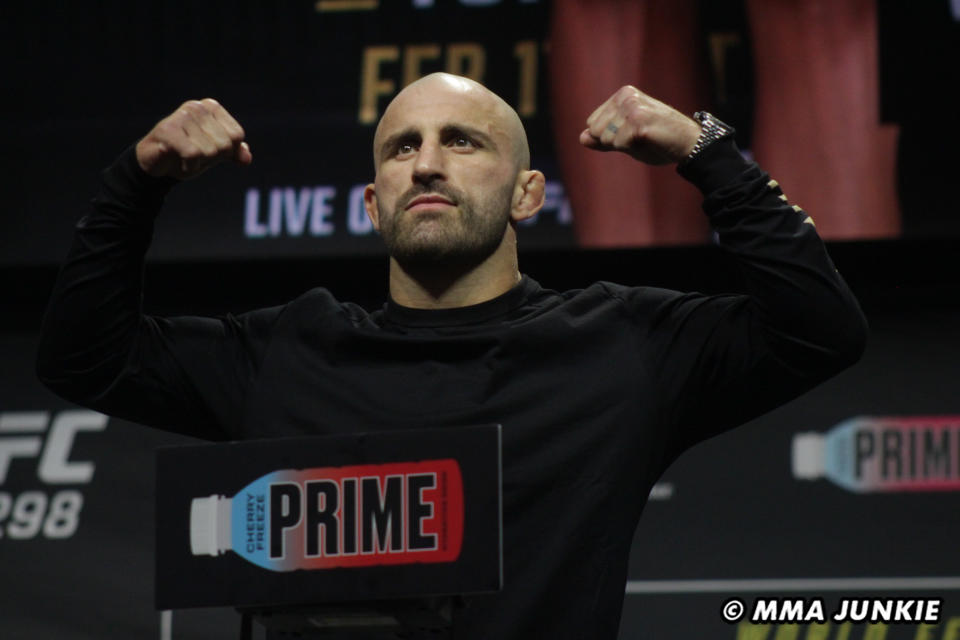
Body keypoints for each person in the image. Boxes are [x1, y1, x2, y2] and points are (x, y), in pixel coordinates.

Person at [36, 72, 867, 639]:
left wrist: (704, 150)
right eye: (402, 148)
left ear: (527, 195)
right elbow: (85, 358)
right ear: (372, 202)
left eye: (462, 142)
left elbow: (820, 328)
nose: (426, 163)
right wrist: (137, 182)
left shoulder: (622, 346)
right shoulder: (289, 349)